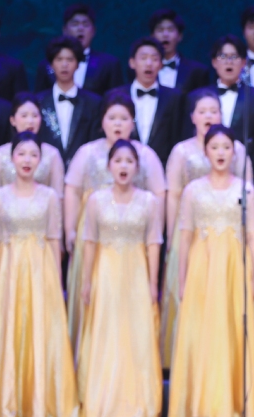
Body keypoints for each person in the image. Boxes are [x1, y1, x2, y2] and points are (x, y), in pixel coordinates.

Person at [0, 132, 78, 417]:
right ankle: (6, 398)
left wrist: (57, 279)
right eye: (21, 154)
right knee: (8, 328)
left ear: (40, 161)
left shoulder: (49, 197)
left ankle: (41, 399)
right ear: (12, 159)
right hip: (8, 270)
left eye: (33, 155)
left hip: (41, 269)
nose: (27, 160)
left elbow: (54, 239)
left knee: (41, 329)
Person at [168, 125, 254, 417]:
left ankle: (235, 402)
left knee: (234, 328)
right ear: (205, 152)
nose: (221, 153)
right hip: (202, 268)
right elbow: (185, 237)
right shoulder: (193, 190)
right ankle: (201, 402)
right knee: (202, 329)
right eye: (214, 147)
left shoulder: (245, 188)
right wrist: (181, 280)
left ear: (234, 152)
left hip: (236, 267)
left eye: (226, 147)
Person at [64, 90, 166, 351]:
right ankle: (90, 357)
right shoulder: (87, 152)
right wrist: (70, 229)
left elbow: (159, 195)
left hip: (132, 236)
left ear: (133, 122)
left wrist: (153, 232)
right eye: (112, 118)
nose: (118, 124)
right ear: (102, 122)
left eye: (124, 118)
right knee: (93, 294)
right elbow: (72, 190)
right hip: (95, 234)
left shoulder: (145, 155)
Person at [160, 89, 252, 370]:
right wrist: (172, 236)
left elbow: (248, 194)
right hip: (194, 235)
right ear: (193, 117)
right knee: (192, 298)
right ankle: (190, 364)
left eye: (214, 111)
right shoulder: (182, 151)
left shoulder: (238, 150)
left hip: (230, 239)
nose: (209, 116)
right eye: (203, 111)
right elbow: (173, 195)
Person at [77, 139, 162, 417]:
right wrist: (86, 281)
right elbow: (89, 241)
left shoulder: (149, 201)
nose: (123, 166)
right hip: (106, 273)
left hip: (137, 273)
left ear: (137, 167)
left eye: (129, 161)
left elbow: (153, 243)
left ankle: (138, 400)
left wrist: (153, 283)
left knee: (136, 332)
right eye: (118, 161)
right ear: (109, 165)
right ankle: (104, 398)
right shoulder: (95, 200)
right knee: (107, 330)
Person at [187, 34, 254, 169]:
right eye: (223, 56)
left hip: (243, 169)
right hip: (202, 167)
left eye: (234, 57)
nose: (229, 62)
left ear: (243, 62)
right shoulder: (196, 97)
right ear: (214, 62)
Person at [110, 36, 185, 165]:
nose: (149, 63)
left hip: (162, 168)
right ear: (132, 63)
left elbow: (177, 138)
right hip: (123, 167)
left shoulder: (174, 98)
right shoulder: (115, 95)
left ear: (161, 64)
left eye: (154, 59)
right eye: (143, 58)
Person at [36, 36, 102, 169]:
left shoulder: (94, 102)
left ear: (77, 64)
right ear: (51, 64)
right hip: (46, 170)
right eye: (59, 59)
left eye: (70, 60)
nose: (64, 65)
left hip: (83, 171)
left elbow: (95, 142)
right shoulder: (38, 101)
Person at [0, 93, 65, 198]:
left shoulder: (52, 154)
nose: (30, 121)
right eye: (24, 116)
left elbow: (58, 197)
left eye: (35, 116)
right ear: (12, 120)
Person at [36, 4, 124, 95]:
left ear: (93, 31)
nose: (80, 28)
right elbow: (38, 98)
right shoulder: (46, 65)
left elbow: (117, 99)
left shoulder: (109, 64)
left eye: (85, 25)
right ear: (64, 30)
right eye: (75, 24)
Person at [144, 8, 210, 93]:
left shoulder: (197, 71)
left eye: (170, 30)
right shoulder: (142, 69)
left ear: (180, 36)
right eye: (160, 30)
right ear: (152, 36)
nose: (165, 34)